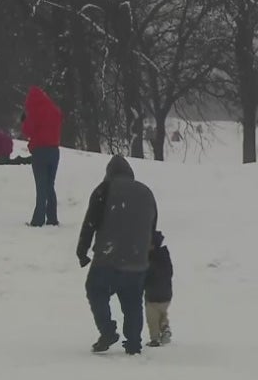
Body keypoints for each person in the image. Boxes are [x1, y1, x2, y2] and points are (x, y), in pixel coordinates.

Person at [77, 156, 159, 355]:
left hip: (108, 256)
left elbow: (90, 223)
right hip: (137, 259)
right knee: (132, 300)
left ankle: (107, 330)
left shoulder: (103, 190)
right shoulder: (146, 192)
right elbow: (152, 225)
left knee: (96, 290)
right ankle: (133, 343)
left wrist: (82, 250)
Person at [22, 86, 63, 227]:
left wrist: (25, 120)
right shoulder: (55, 110)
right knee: (50, 185)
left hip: (40, 152)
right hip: (54, 151)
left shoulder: (34, 112)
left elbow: (28, 131)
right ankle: (52, 218)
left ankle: (38, 220)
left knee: (41, 187)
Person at [144, 230, 174, 347]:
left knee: (152, 317)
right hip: (167, 294)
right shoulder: (164, 256)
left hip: (153, 295)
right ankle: (165, 327)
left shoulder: (150, 259)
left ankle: (155, 339)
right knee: (162, 313)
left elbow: (147, 274)